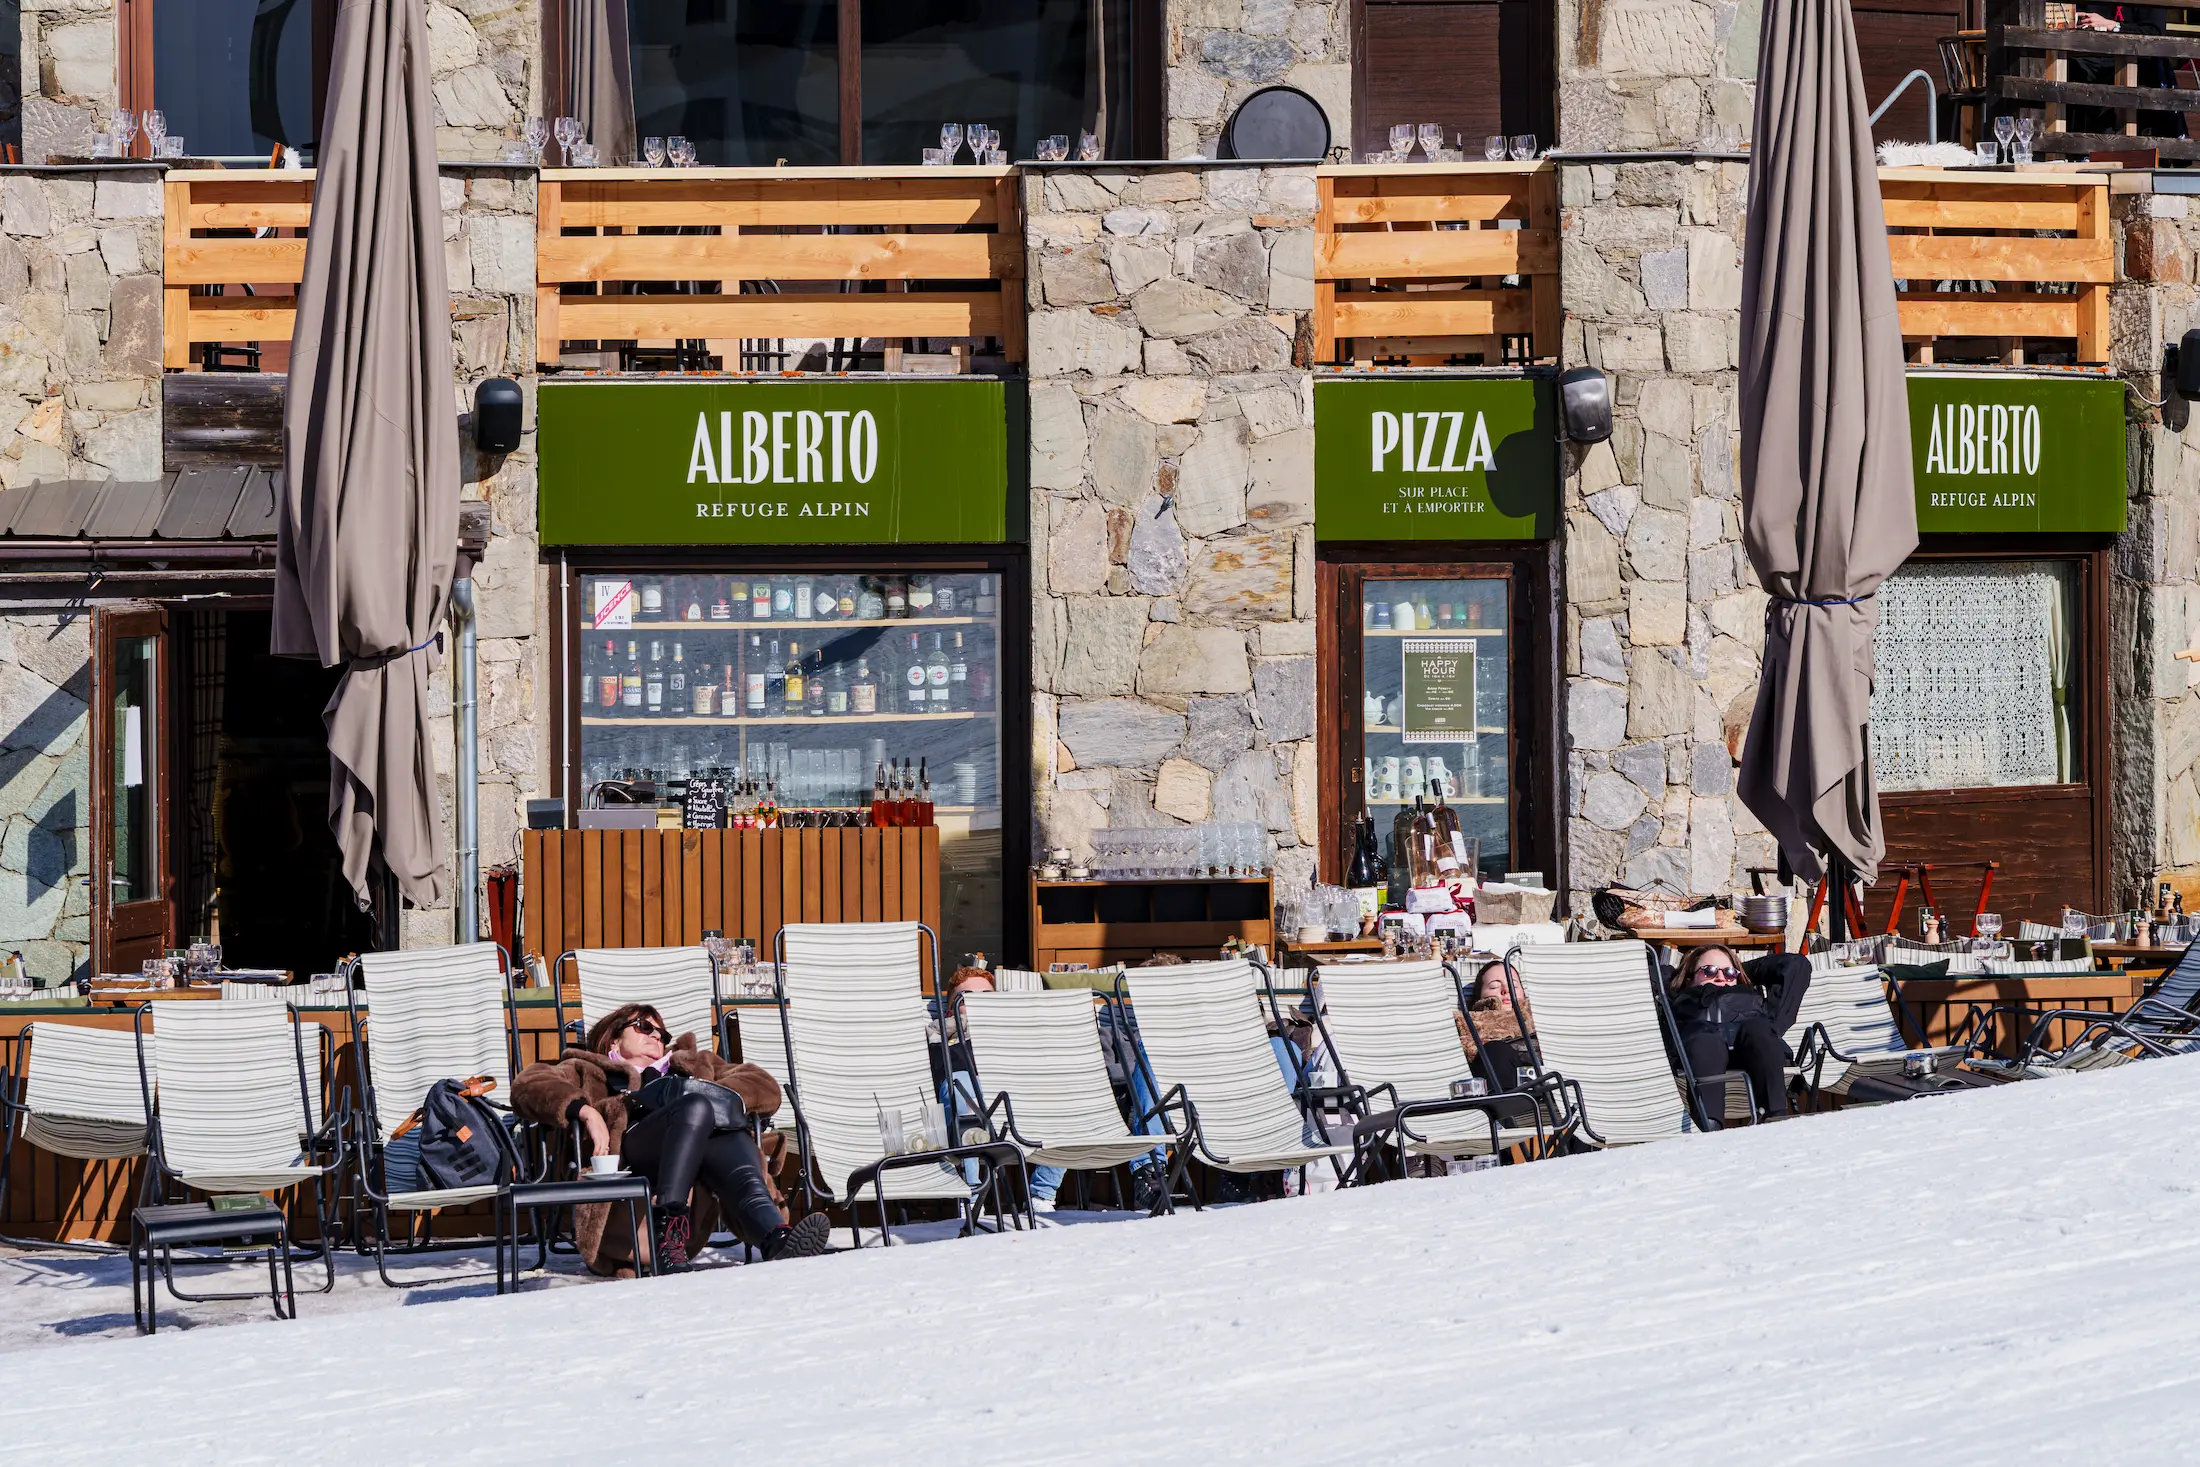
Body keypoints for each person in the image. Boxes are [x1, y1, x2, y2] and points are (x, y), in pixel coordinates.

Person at [513, 1001, 830, 1273]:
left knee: (724, 1131)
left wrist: (712, 1097)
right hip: (634, 1150)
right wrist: (586, 1112)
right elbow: (528, 1085)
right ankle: (669, 1233)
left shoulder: (694, 1065)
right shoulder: (589, 1070)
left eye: (661, 1034)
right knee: (695, 1107)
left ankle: (777, 1239)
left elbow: (762, 1084)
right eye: (643, 1027)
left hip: (702, 1153)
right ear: (614, 1037)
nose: (655, 1036)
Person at [1665, 946, 1812, 1126]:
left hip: (1755, 1048)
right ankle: (1709, 1128)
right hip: (1699, 1050)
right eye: (1709, 971)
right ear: (1689, 980)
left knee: (1759, 1029)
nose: (1721, 977)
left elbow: (1796, 964)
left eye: (1729, 972)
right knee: (1706, 1038)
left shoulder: (1754, 1002)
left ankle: (1776, 1121)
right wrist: (1675, 975)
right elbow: (1648, 975)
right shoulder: (1675, 999)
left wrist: (1740, 970)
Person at [1455, 959, 1536, 1093]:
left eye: (1513, 985)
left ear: (1523, 993)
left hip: (1551, 1087)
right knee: (1495, 1050)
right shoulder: (1465, 1025)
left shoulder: (1543, 1018)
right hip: (1502, 1090)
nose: (1506, 990)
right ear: (1479, 997)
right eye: (1494, 987)